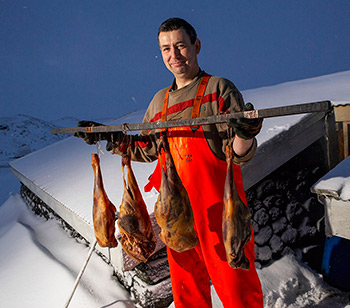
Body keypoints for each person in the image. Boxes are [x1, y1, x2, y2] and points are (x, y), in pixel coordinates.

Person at [76, 17, 263, 308]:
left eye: (180, 46)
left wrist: (246, 134)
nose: (174, 55)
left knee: (238, 291)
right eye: (166, 49)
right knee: (188, 295)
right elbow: (148, 148)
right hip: (175, 215)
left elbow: (238, 152)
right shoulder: (159, 102)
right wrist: (112, 138)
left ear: (196, 46)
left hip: (221, 213)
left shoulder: (219, 89)